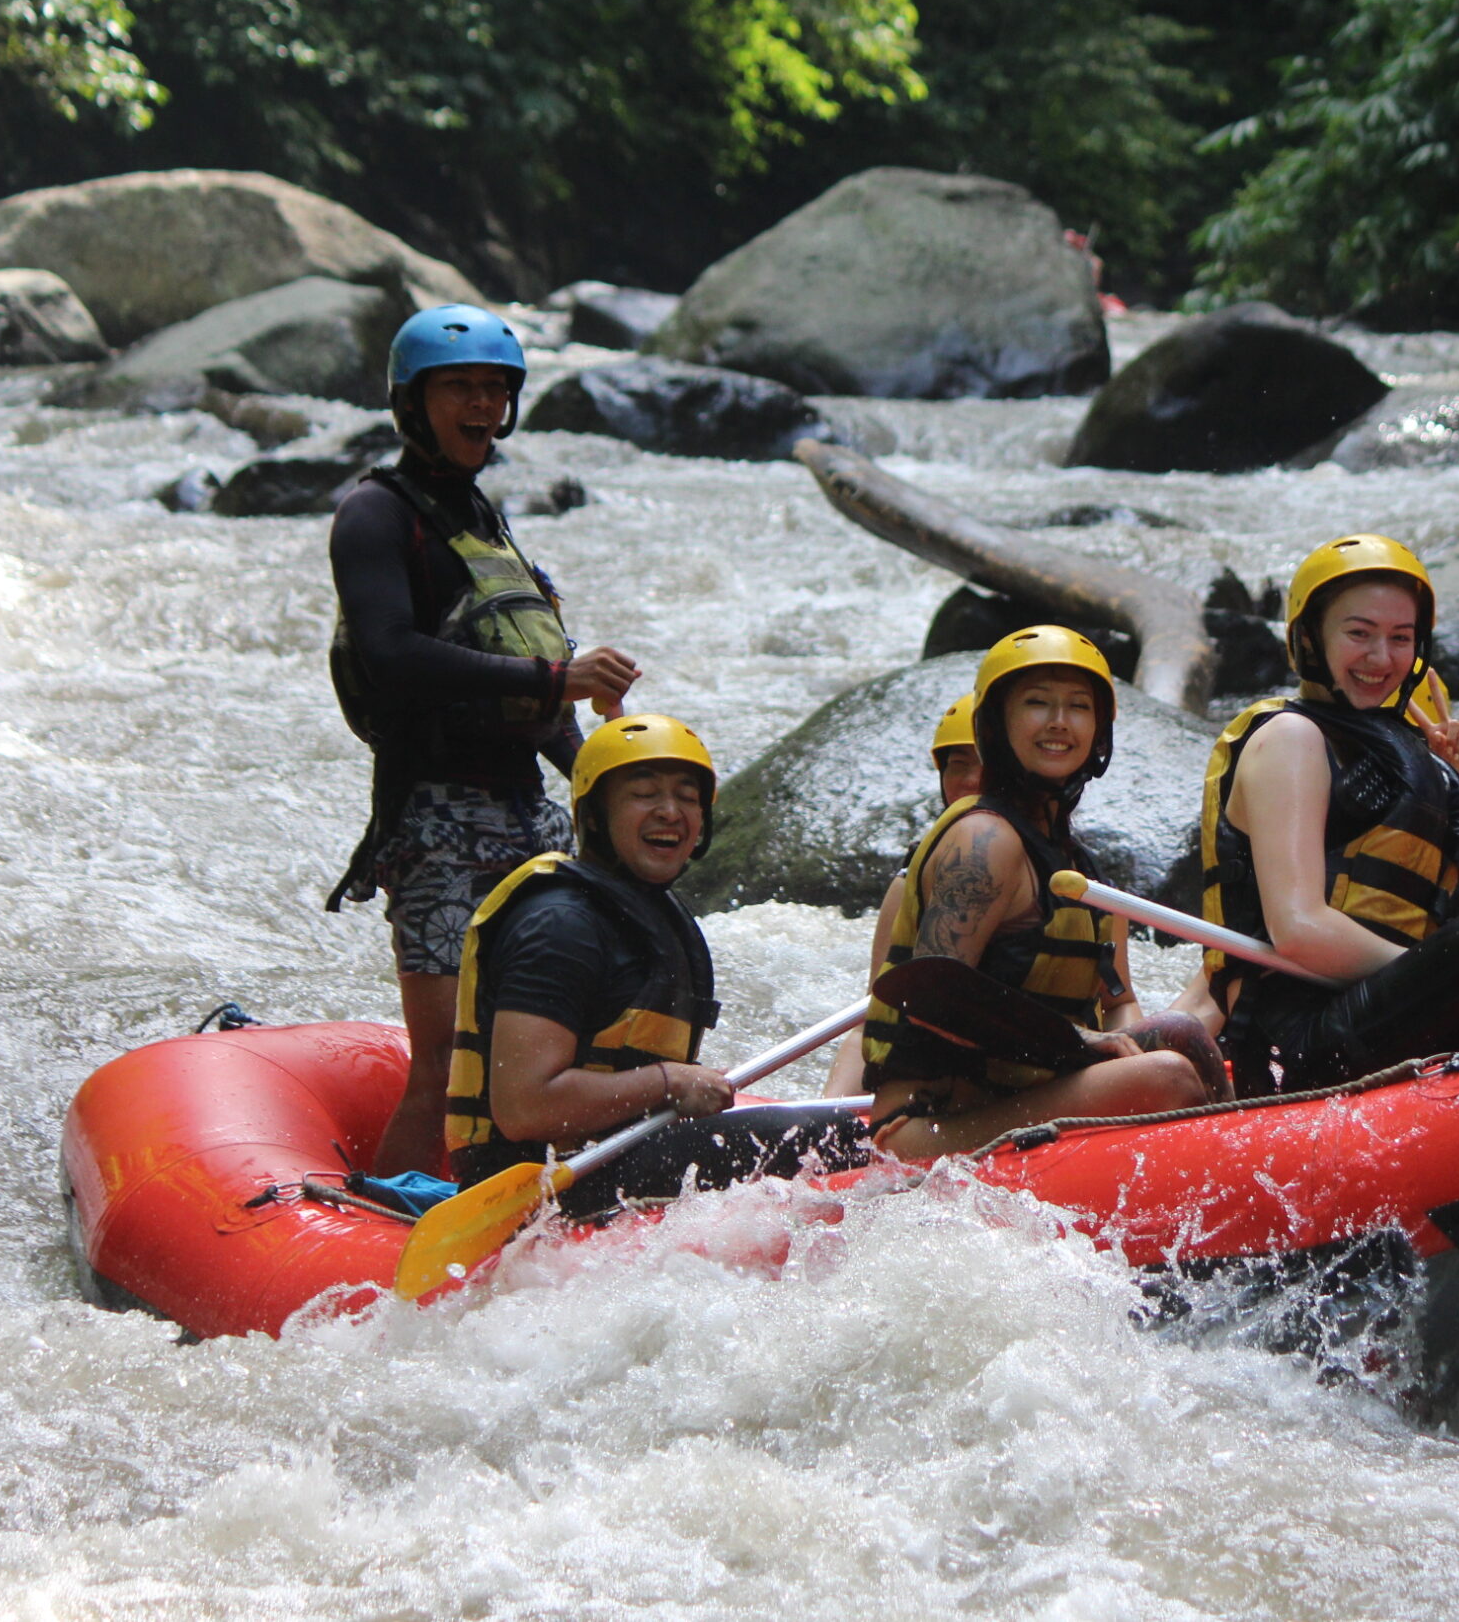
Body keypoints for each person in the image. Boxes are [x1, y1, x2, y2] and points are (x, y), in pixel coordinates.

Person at [327, 303, 642, 1175]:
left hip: (527, 819)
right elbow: (391, 655)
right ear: (411, 400)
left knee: (551, 1049)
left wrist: (612, 783)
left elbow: (539, 701)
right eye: (460, 388)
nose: (482, 406)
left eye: (497, 389)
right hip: (433, 822)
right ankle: (383, 1245)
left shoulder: (478, 517)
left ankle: (527, 1203)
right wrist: (556, 680)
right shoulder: (374, 516)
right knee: (442, 1069)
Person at [1202, 535, 1459, 1095]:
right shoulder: (1291, 738)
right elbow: (1298, 930)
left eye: (1401, 638)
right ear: (1308, 638)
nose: (1382, 659)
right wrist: (1440, 976)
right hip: (1302, 1041)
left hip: (1385, 1016)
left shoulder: (1419, 770)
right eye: (1359, 633)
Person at [445, 714, 854, 1213]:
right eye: (644, 794)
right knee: (835, 1138)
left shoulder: (655, 912)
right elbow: (525, 1108)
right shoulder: (559, 926)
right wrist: (667, 1083)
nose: (670, 812)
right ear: (595, 815)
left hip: (612, 1154)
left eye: (687, 796)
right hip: (535, 1183)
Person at [862, 627, 1229, 1157]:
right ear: (996, 724)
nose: (1059, 721)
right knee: (1169, 1077)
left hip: (1021, 1094)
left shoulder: (1081, 866)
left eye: (1079, 707)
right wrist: (1081, 1042)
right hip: (930, 1120)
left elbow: (1120, 1004)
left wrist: (1121, 1043)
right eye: (1038, 703)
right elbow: (934, 1000)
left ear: (1099, 729)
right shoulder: (984, 839)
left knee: (1183, 1033)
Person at [819, 693, 983, 1098]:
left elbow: (1120, 999)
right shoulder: (911, 881)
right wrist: (827, 1114)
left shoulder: (1079, 879)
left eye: (986, 765)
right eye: (958, 766)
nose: (971, 781)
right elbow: (871, 1021)